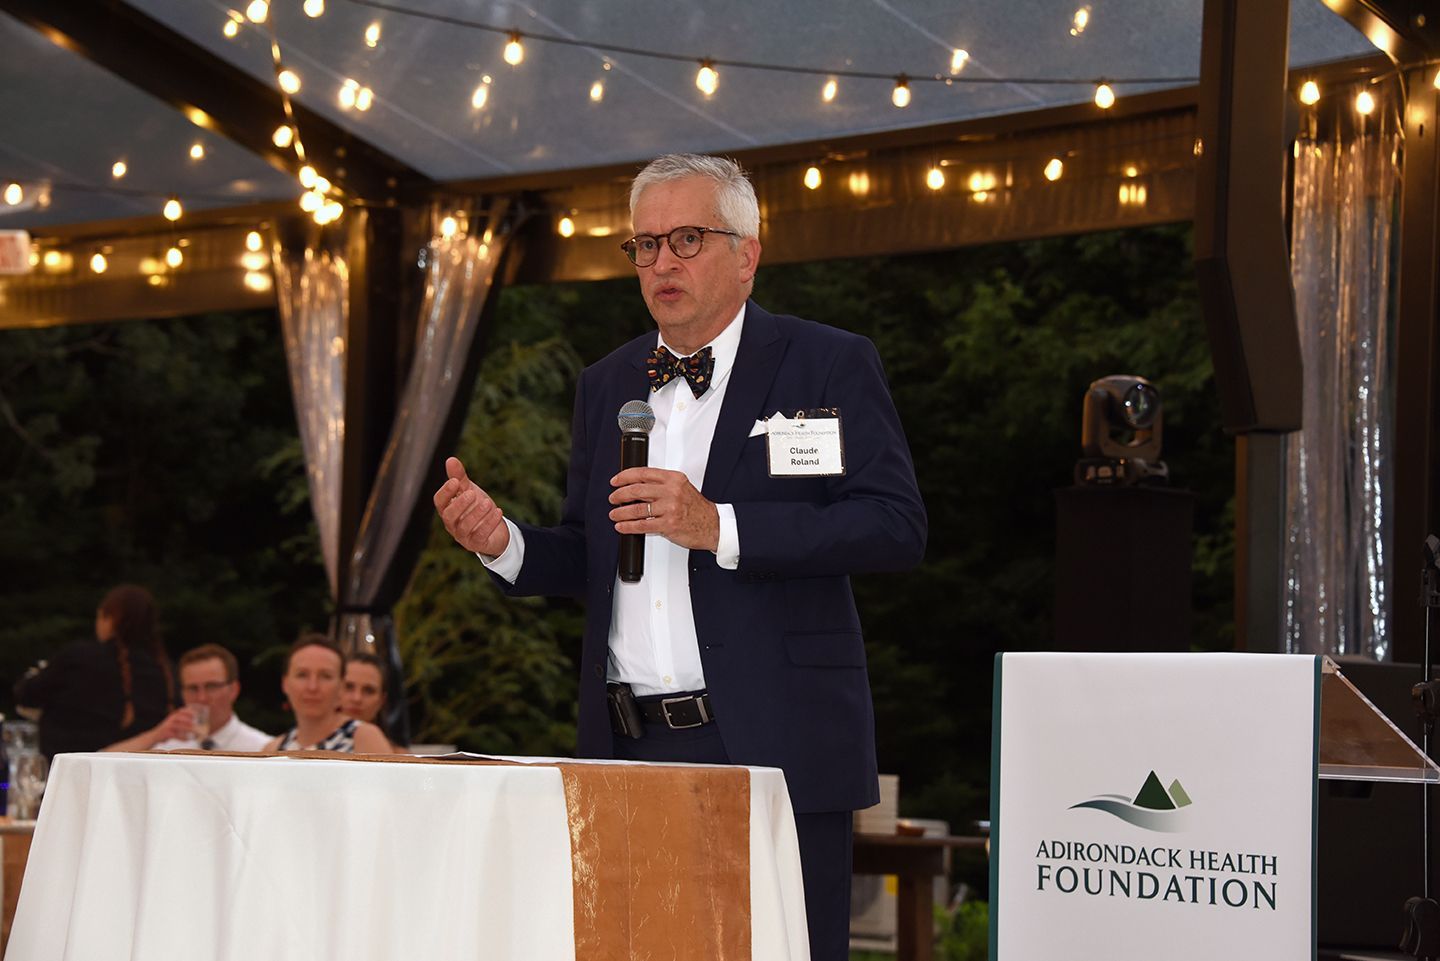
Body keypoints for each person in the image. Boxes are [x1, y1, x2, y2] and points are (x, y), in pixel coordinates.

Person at [433, 153, 927, 960]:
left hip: (777, 740)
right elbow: (592, 553)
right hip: (628, 743)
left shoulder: (827, 361)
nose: (662, 261)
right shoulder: (607, 383)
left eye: (687, 238)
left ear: (748, 252)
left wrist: (720, 525)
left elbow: (894, 525)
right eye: (645, 244)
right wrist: (505, 543)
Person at [14, 584, 175, 758]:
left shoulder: (78, 657)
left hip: (66, 770)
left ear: (109, 619)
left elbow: (27, 695)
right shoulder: (165, 672)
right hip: (138, 774)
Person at [103, 643, 270, 752]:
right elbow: (102, 762)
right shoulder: (169, 744)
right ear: (182, 693)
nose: (202, 698)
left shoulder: (261, 747)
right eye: (192, 688)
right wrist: (155, 735)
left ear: (234, 690)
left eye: (211, 687)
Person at [263, 635, 389, 753]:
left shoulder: (363, 738)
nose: (312, 687)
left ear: (341, 685)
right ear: (285, 683)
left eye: (325, 676)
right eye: (302, 675)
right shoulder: (274, 749)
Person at [341, 652, 388, 730]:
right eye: (349, 687)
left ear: (381, 701)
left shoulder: (385, 742)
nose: (357, 698)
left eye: (368, 691)